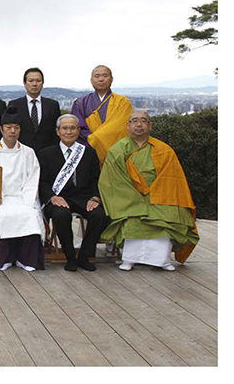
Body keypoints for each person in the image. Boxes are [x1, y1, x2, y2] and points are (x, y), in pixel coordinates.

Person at [98, 110, 199, 271]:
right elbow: (112, 181)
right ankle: (129, 259)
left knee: (168, 216)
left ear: (150, 125)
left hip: (160, 196)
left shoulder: (164, 150)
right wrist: (136, 196)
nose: (139, 124)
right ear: (128, 125)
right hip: (128, 196)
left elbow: (171, 179)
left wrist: (154, 195)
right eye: (135, 121)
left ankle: (162, 260)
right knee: (132, 215)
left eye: (143, 121)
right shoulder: (117, 150)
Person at [38, 114, 108, 272]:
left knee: (100, 215)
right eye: (64, 128)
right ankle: (69, 256)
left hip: (83, 197)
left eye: (72, 128)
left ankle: (84, 256)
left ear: (78, 131)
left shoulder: (88, 152)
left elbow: (96, 178)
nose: (68, 132)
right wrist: (51, 197)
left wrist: (95, 197)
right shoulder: (46, 153)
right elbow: (42, 182)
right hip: (58, 197)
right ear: (57, 131)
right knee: (61, 215)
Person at [0, 111, 45, 271]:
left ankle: (26, 260)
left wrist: (27, 201)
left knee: (29, 214)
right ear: (1, 129)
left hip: (22, 197)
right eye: (8, 127)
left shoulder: (28, 152)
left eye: (16, 127)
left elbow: (32, 179)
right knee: (0, 214)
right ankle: (3, 259)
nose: (12, 131)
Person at [70, 65, 133, 164]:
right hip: (87, 151)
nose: (101, 79)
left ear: (111, 79)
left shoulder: (123, 102)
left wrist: (94, 140)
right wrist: (92, 144)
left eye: (104, 75)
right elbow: (77, 127)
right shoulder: (80, 102)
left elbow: (120, 129)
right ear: (91, 80)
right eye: (97, 76)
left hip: (115, 152)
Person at [5, 67, 61, 154]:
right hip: (21, 153)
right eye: (31, 81)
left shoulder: (52, 105)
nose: (34, 84)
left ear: (42, 83)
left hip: (48, 154)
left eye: (38, 81)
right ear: (24, 83)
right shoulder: (14, 104)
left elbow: (57, 131)